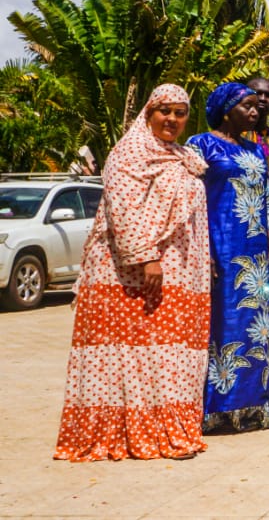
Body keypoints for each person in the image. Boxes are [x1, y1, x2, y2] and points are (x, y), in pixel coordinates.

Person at [54, 85, 211, 462]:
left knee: (165, 352)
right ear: (149, 112)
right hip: (130, 272)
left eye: (180, 112)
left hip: (176, 272)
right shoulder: (129, 152)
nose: (172, 119)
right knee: (136, 354)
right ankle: (142, 433)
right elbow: (122, 209)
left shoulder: (179, 156)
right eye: (165, 111)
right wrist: (146, 257)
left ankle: (166, 428)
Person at [188, 82, 269, 432]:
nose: (256, 111)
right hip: (219, 248)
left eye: (257, 107)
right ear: (227, 109)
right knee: (223, 322)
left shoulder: (256, 150)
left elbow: (267, 201)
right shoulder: (200, 144)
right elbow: (189, 200)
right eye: (247, 106)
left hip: (255, 255)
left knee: (257, 328)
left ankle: (254, 404)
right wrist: (202, 251)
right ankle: (218, 408)